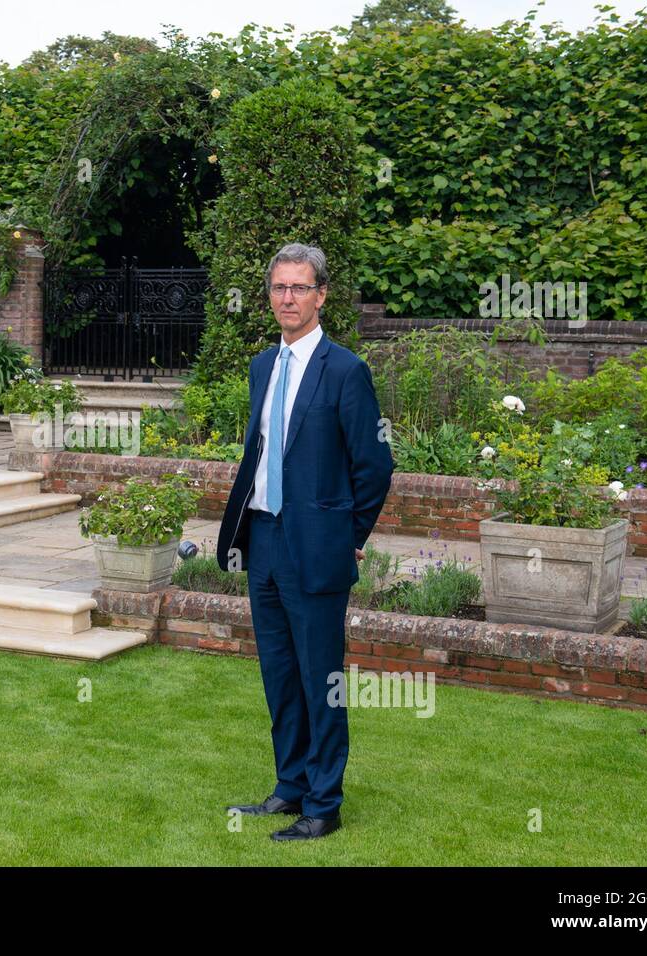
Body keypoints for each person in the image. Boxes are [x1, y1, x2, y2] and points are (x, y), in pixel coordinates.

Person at [217, 242, 394, 841]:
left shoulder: (346, 369)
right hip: (263, 541)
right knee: (279, 676)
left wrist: (350, 537)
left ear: (321, 296)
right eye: (278, 288)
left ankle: (324, 804)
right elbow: (260, 453)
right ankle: (289, 787)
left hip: (316, 549)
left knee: (322, 679)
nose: (287, 298)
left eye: (299, 288)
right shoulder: (263, 365)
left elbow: (374, 464)